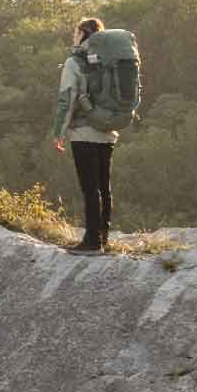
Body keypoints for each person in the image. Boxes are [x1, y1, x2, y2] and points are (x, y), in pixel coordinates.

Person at [52, 15, 118, 253]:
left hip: (83, 132)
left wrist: (59, 132)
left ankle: (91, 241)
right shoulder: (110, 60)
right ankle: (103, 237)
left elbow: (66, 99)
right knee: (104, 186)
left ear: (81, 34)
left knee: (90, 188)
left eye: (75, 33)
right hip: (107, 132)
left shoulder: (75, 62)